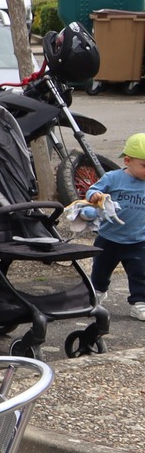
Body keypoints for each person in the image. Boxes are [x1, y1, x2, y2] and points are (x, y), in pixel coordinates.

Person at [83, 133, 145, 322]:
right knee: (100, 269)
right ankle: (98, 292)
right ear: (127, 161)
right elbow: (93, 190)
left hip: (138, 240)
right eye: (144, 165)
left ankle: (139, 302)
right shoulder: (114, 178)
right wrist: (94, 196)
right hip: (109, 238)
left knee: (140, 274)